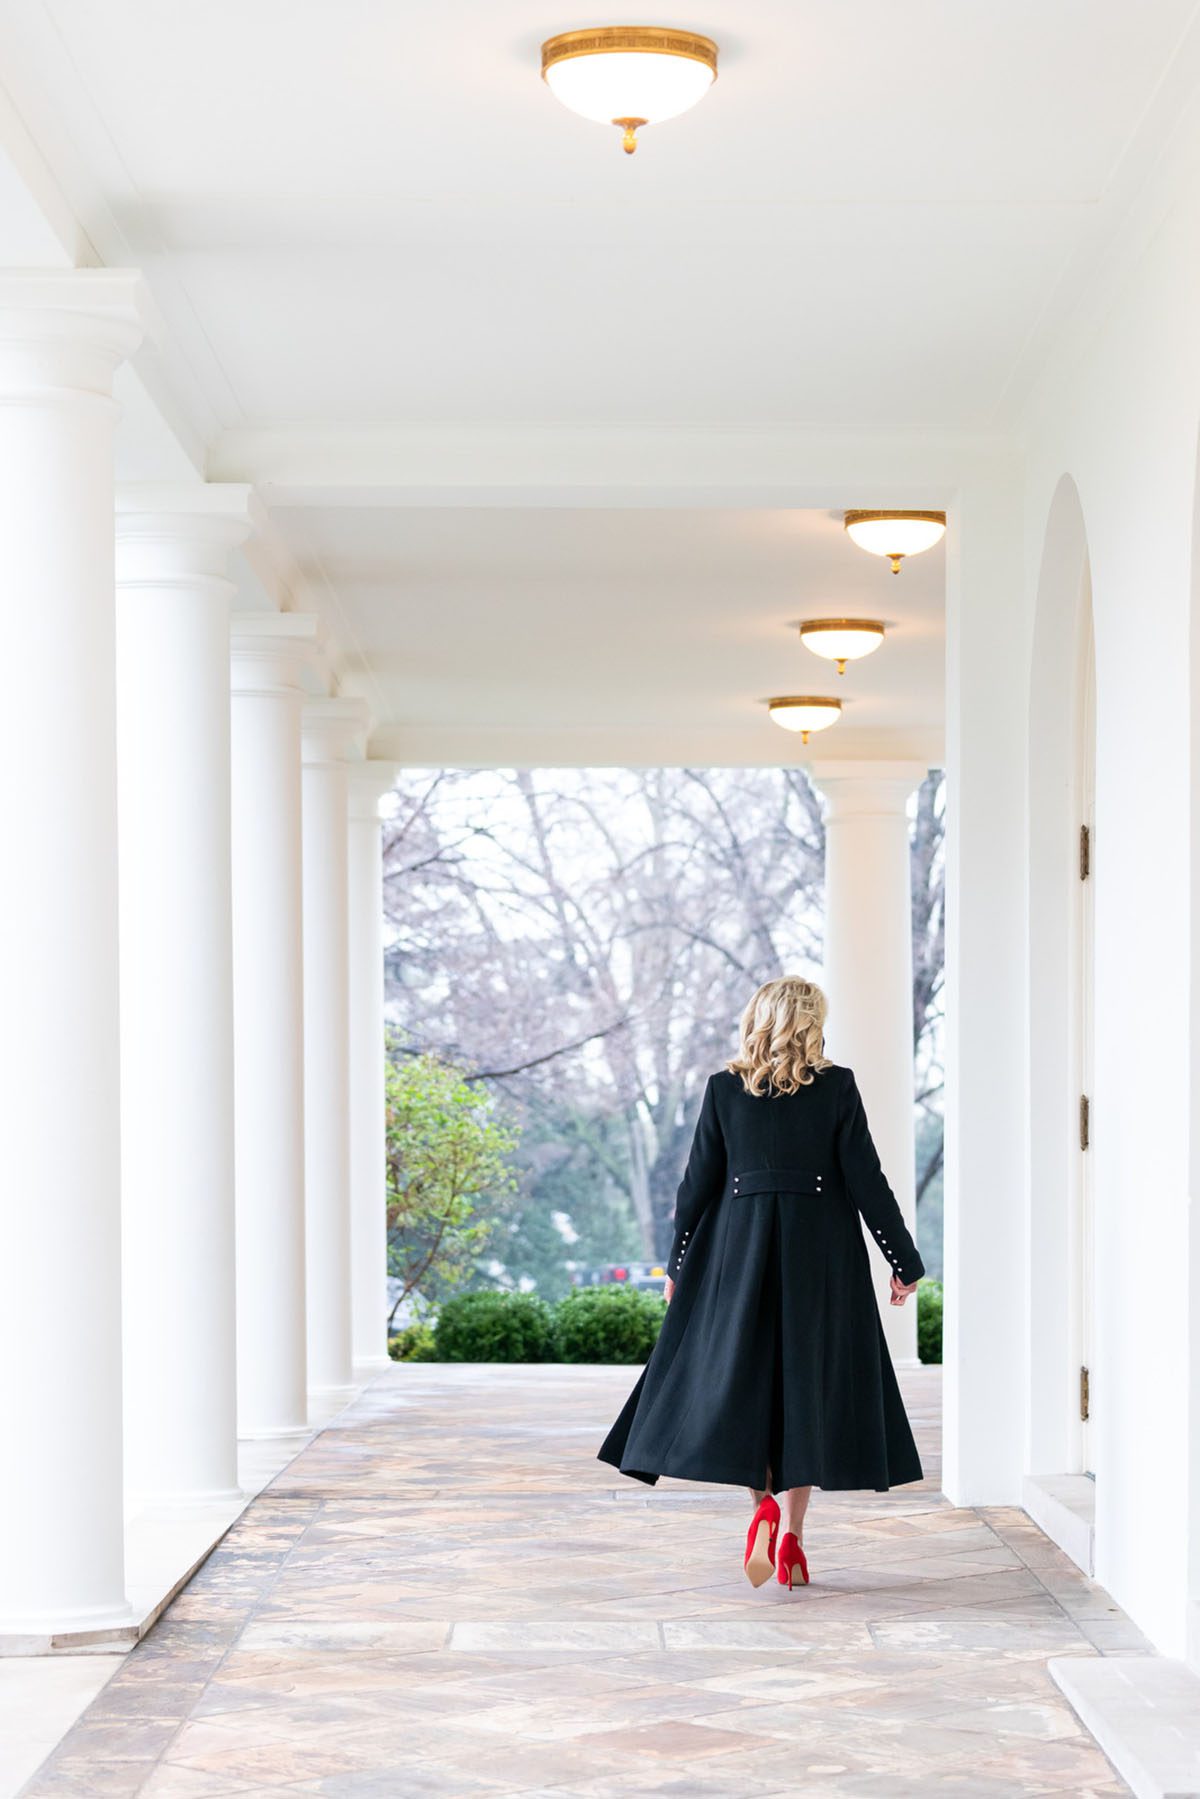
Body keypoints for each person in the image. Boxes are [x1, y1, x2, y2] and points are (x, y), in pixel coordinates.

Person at [596, 975, 925, 1590]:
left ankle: (762, 1514)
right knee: (805, 1386)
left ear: (758, 1019)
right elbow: (866, 1180)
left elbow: (694, 1186)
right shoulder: (836, 1087)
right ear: (811, 1022)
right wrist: (902, 1261)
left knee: (751, 1383)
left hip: (736, 1249)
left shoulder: (725, 1089)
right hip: (820, 1253)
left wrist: (678, 1265)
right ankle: (794, 1539)